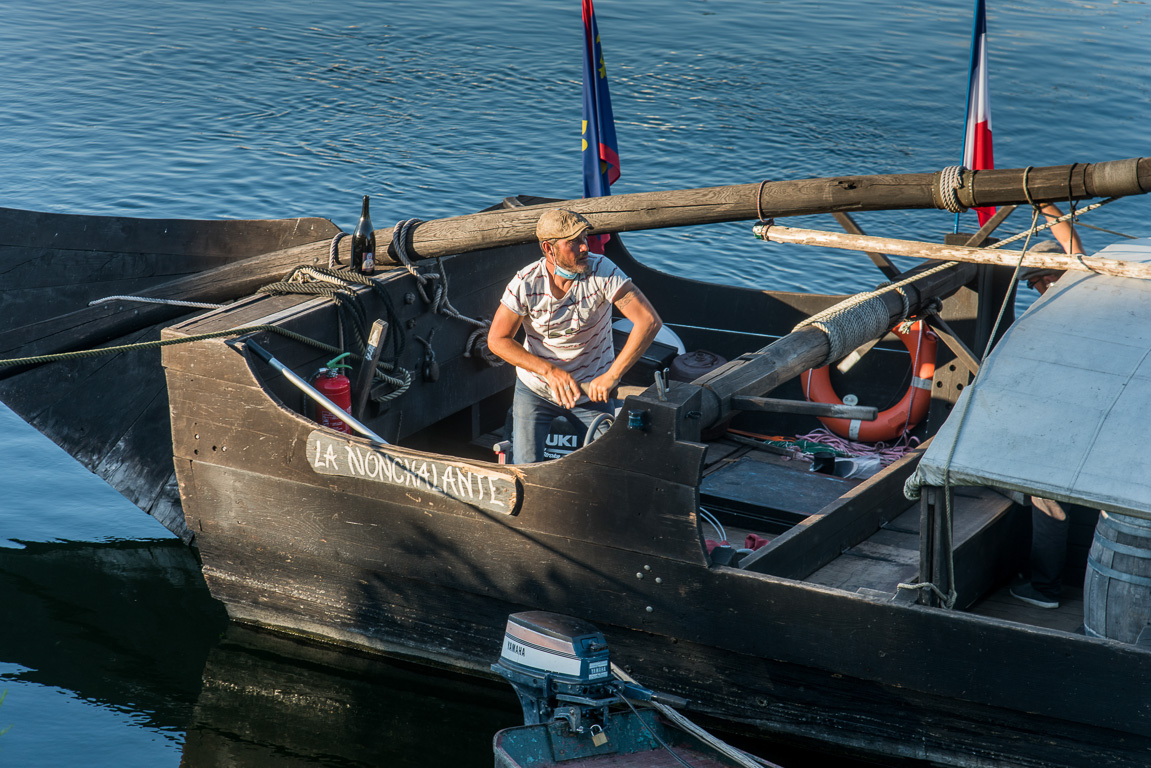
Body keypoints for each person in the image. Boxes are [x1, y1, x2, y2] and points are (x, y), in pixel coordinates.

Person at [487, 209, 662, 464]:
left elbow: (648, 321)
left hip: (591, 392)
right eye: (574, 242)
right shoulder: (525, 283)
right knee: (526, 470)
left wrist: (612, 376)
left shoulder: (603, 271)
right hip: (536, 390)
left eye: (585, 238)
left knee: (610, 465)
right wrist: (549, 372)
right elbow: (497, 339)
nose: (584, 248)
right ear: (549, 248)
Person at [1010, 203, 1085, 609]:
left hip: (1067, 424)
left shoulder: (1069, 297)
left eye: (1040, 280)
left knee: (1046, 499)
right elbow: (1073, 244)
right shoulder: (1085, 295)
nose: (1038, 289)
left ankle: (1044, 590)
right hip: (1085, 416)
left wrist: (1045, 205)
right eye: (1035, 284)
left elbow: (1071, 246)